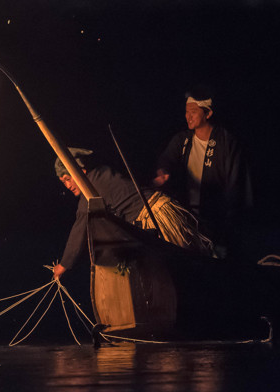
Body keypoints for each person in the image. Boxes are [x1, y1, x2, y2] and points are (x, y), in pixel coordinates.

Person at [52, 148, 212, 280]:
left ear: (81, 171)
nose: (67, 186)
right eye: (63, 182)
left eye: (67, 179)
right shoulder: (102, 172)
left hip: (157, 215)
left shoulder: (90, 192)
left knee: (182, 268)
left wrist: (63, 266)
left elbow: (79, 230)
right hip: (162, 207)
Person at [152, 89, 252, 256]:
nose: (187, 117)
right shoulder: (183, 140)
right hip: (188, 217)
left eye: (193, 112)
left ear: (208, 113)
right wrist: (162, 172)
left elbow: (235, 185)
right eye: (186, 112)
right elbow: (167, 159)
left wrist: (230, 223)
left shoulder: (226, 142)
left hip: (216, 219)